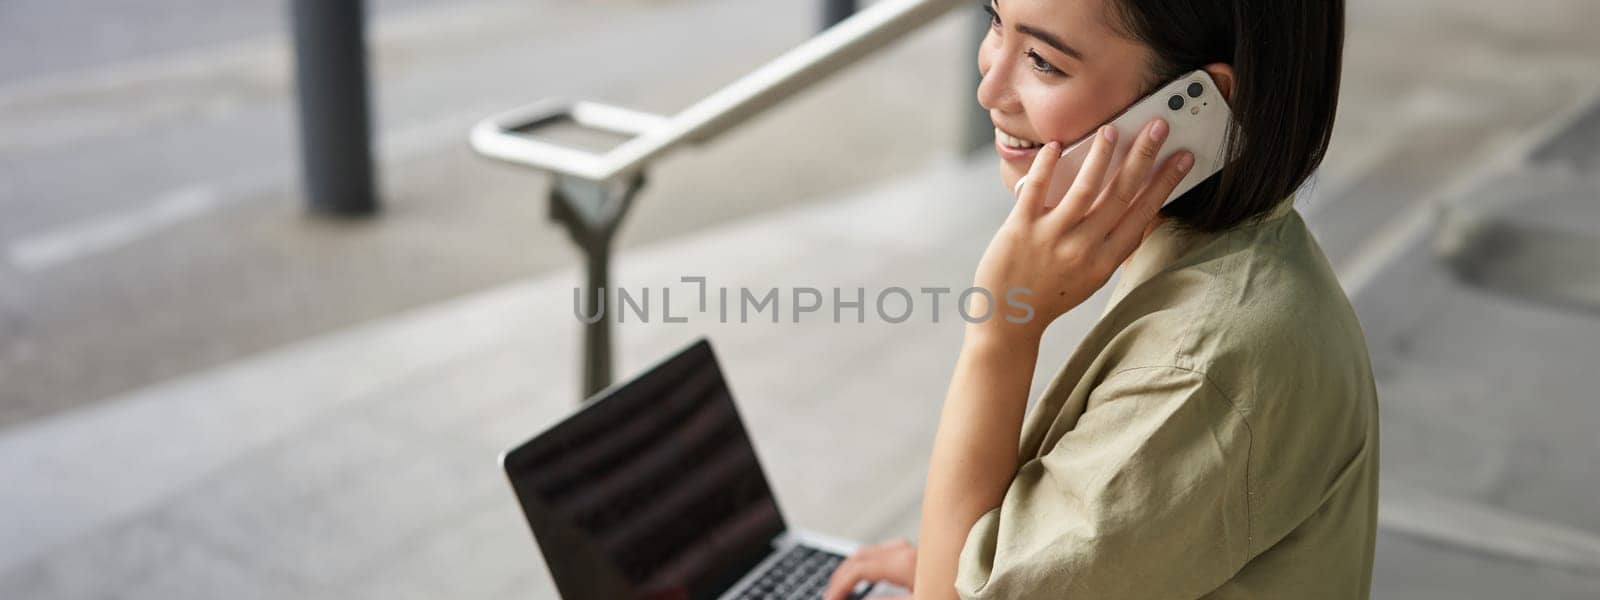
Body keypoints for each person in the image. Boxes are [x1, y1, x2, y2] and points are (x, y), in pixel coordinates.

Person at [824, 0, 1377, 598]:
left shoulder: (1205, 367)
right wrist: (962, 554)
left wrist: (1001, 331)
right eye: (993, 20)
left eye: (1041, 60)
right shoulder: (1241, 256)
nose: (989, 88)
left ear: (1200, 101)